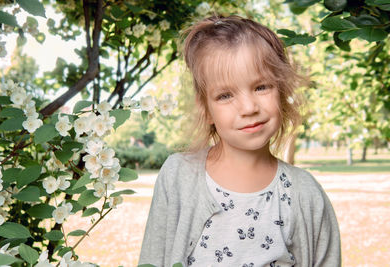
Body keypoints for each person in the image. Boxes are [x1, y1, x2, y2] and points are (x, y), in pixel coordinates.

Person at [138, 15, 341, 267]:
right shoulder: (178, 176)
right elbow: (153, 258)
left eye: (261, 87)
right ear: (206, 109)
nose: (248, 107)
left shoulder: (305, 194)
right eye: (225, 95)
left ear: (282, 90)